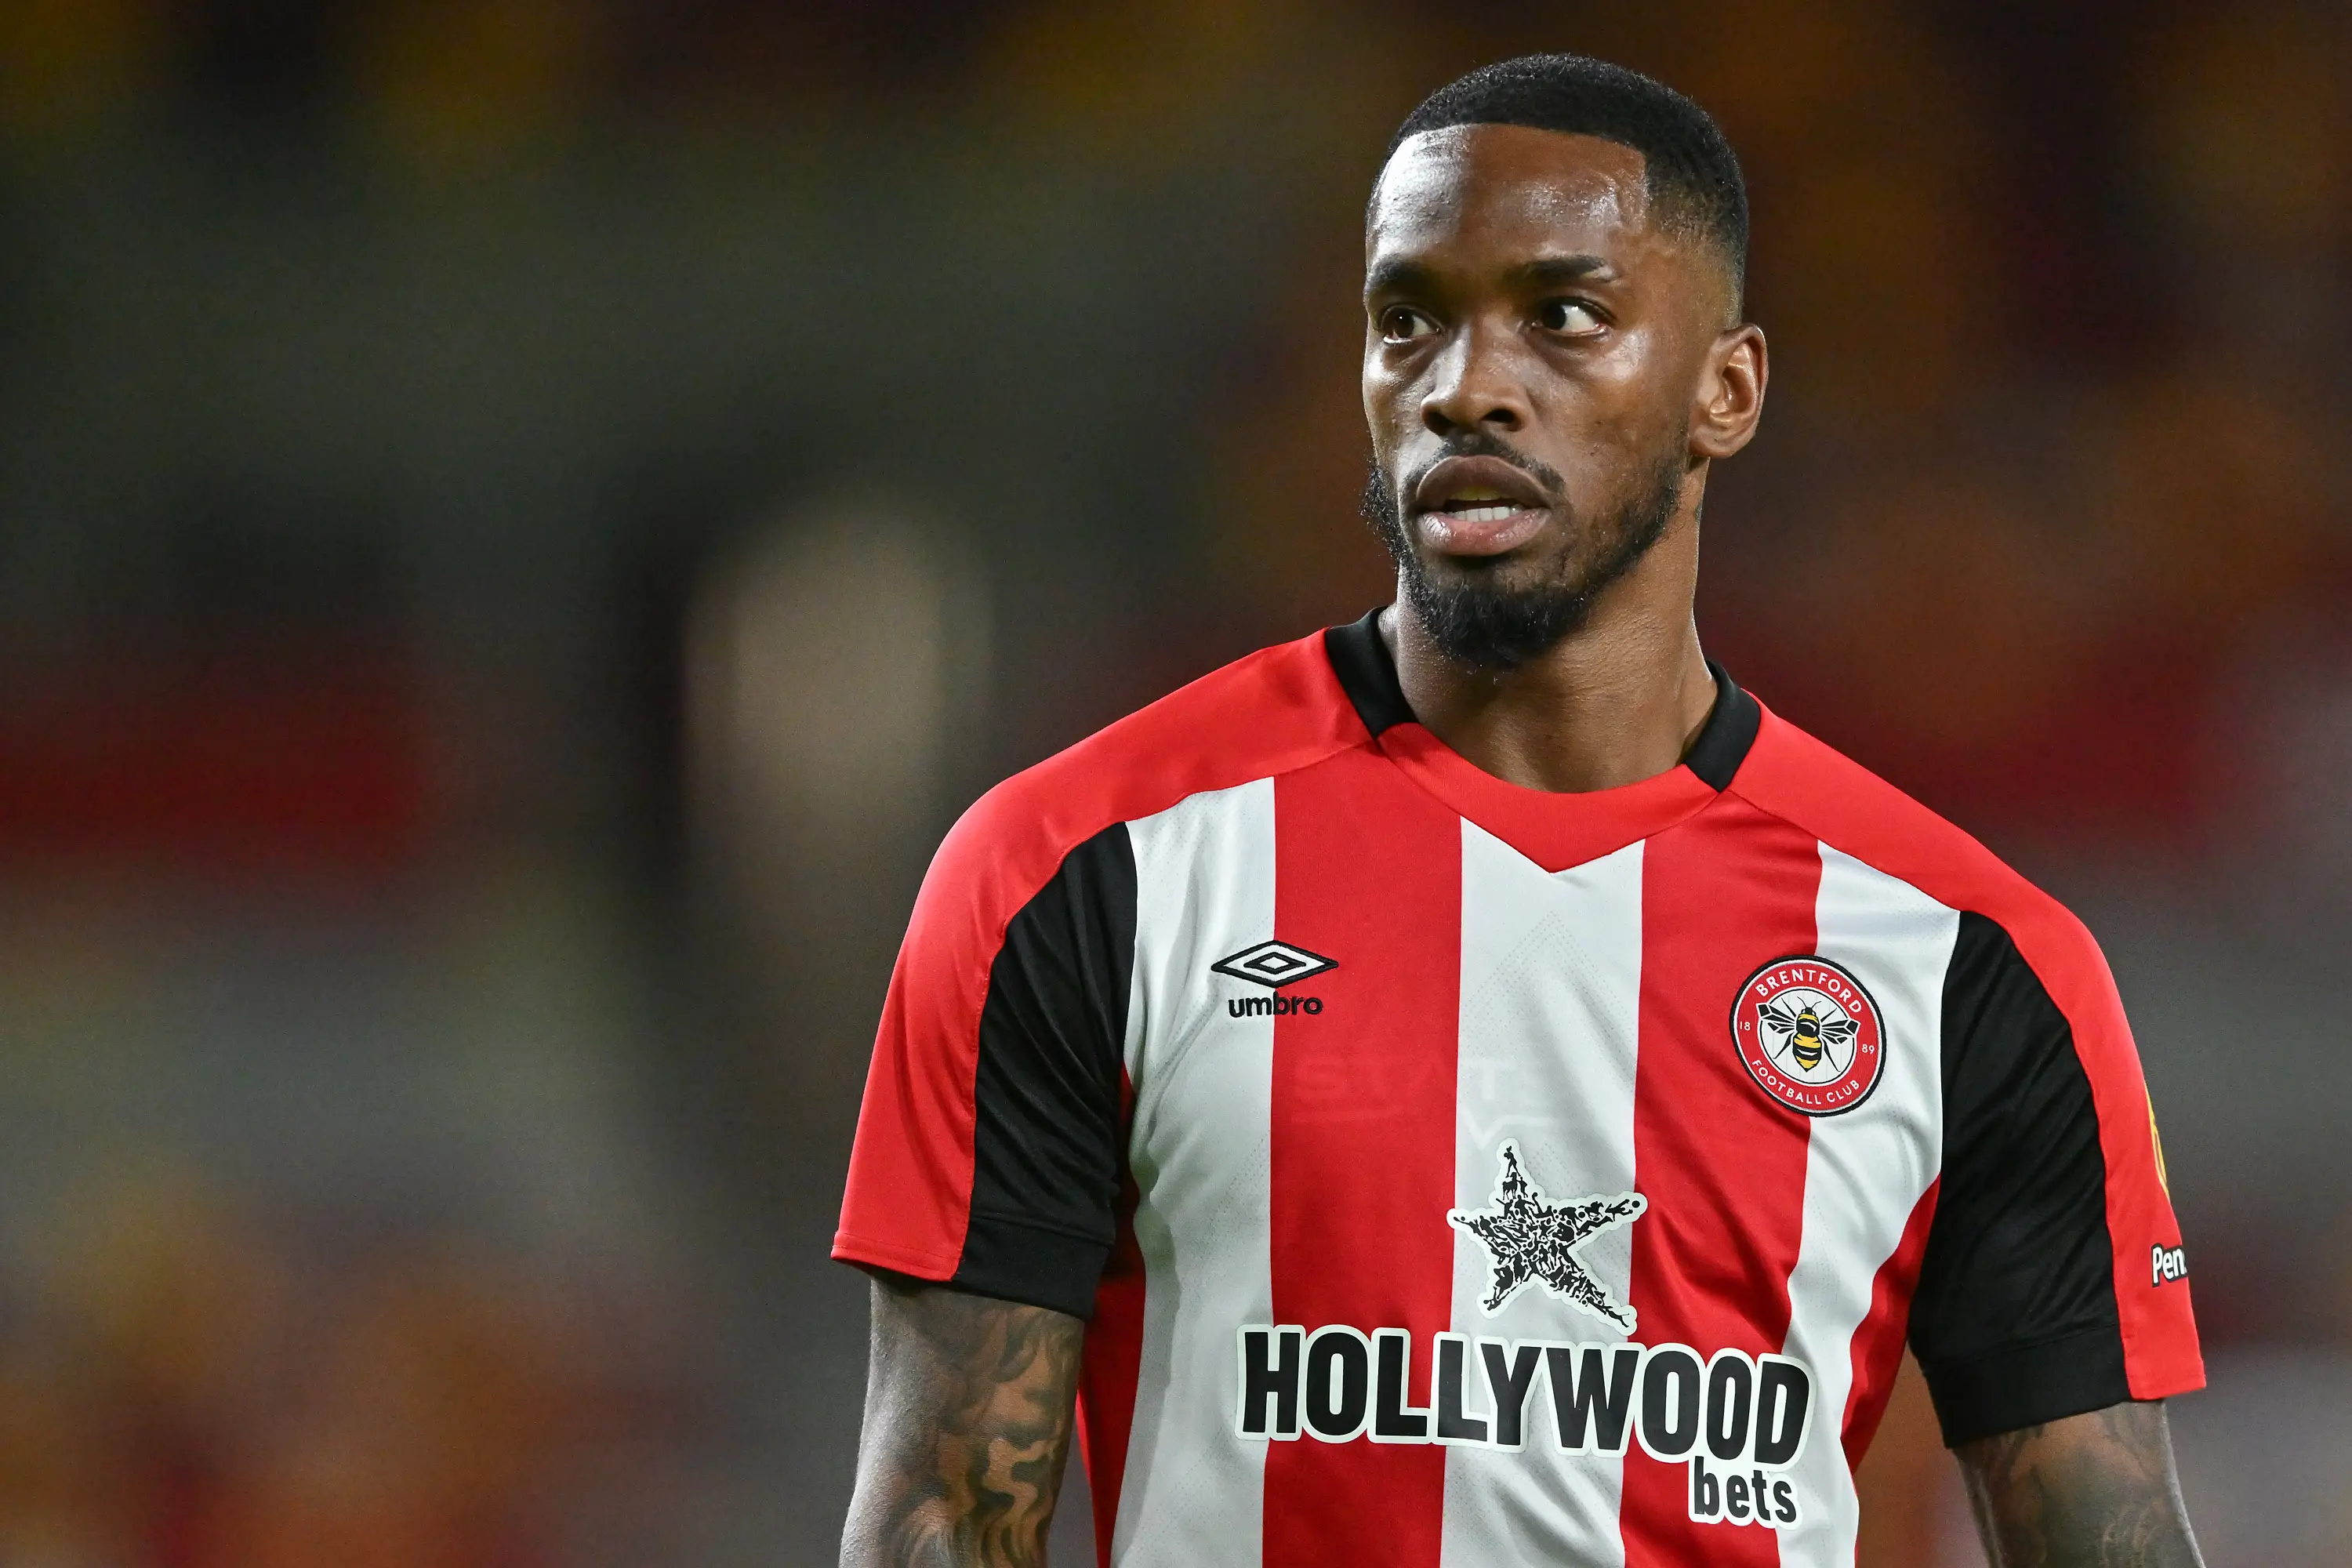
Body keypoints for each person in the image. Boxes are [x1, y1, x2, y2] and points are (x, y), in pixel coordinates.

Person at [833, 53, 2205, 1568]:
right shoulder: (1080, 867)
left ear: (1725, 391)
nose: (1465, 384)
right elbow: (946, 1516)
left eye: (1564, 315)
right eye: (1407, 316)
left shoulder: (1968, 959)